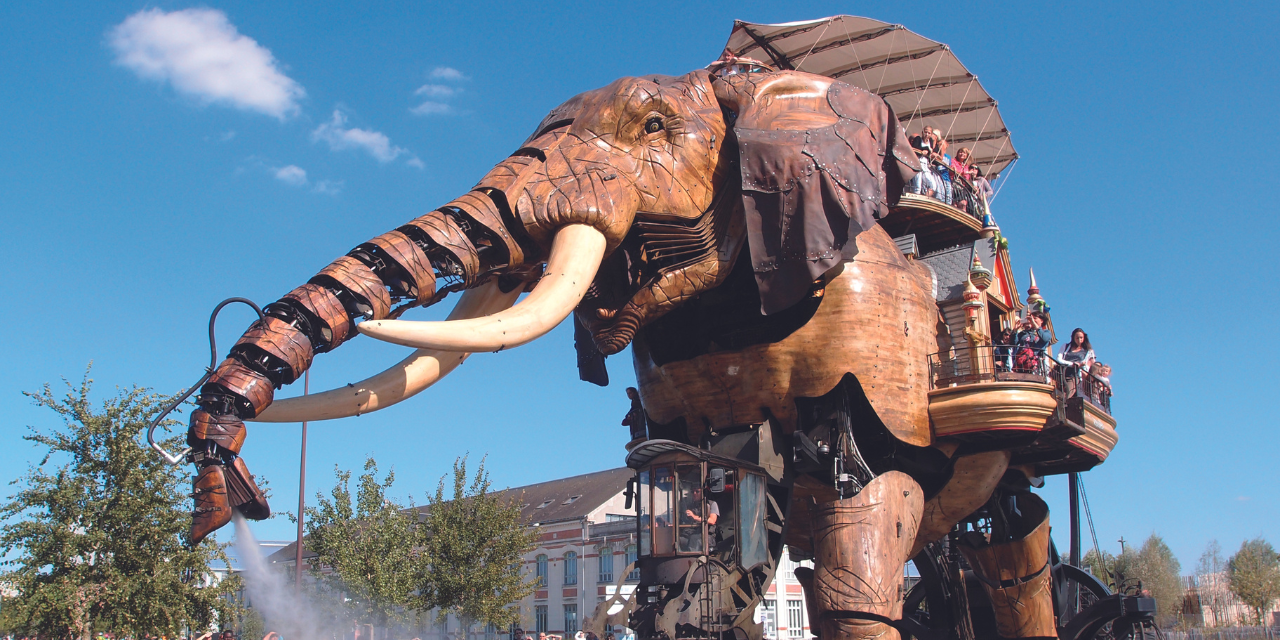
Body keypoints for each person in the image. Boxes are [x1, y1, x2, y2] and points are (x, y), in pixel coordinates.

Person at [908, 128, 939, 198]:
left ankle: (925, 197)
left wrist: (932, 154)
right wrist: (925, 150)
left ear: (931, 134)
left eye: (929, 133)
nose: (927, 134)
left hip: (925, 165)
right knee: (918, 186)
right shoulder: (918, 139)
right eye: (926, 132)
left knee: (933, 185)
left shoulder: (930, 141)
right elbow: (915, 148)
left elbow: (930, 152)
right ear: (922, 133)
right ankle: (915, 200)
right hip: (918, 163)